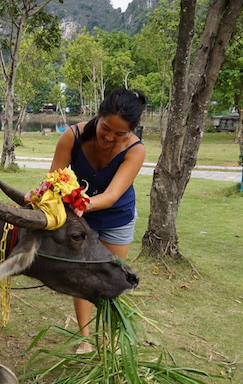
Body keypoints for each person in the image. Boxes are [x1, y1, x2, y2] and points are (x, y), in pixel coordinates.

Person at [49, 88, 147, 354]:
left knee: (114, 278)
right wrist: (43, 197)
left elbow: (113, 195)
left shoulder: (135, 151)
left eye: (119, 134)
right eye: (105, 128)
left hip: (116, 218)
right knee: (82, 276)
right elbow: (53, 179)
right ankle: (85, 339)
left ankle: (112, 338)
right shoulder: (73, 136)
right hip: (81, 219)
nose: (108, 137)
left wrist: (84, 203)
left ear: (131, 131)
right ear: (98, 116)